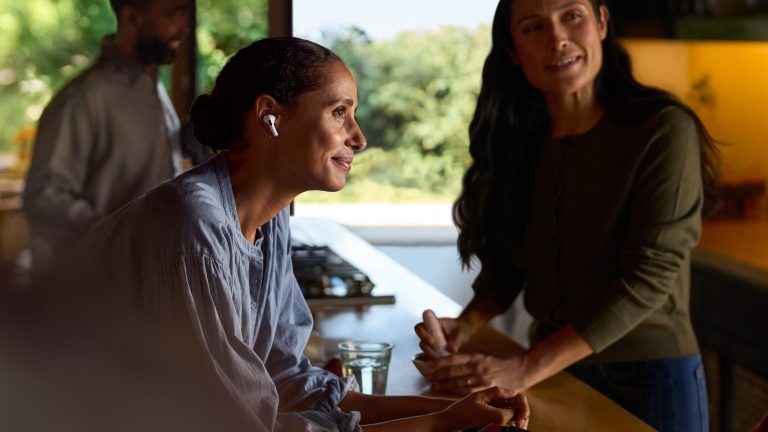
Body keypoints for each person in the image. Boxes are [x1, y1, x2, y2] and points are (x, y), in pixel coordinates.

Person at [55, 37, 530, 432]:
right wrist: (438, 426)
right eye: (340, 112)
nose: (359, 138)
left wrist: (450, 412)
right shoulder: (193, 226)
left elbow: (285, 379)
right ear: (270, 117)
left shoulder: (271, 218)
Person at [415, 1, 719, 431]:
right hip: (554, 374)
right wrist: (465, 325)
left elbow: (649, 278)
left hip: (650, 378)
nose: (557, 39)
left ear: (601, 23)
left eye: (572, 16)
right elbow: (512, 260)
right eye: (534, 26)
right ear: (513, 50)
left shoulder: (663, 129)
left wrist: (525, 368)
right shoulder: (519, 140)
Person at [22, 0, 204, 272]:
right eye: (174, 14)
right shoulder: (83, 99)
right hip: (94, 293)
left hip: (148, 283)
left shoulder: (155, 88)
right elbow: (43, 196)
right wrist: (120, 234)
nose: (184, 28)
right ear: (133, 18)